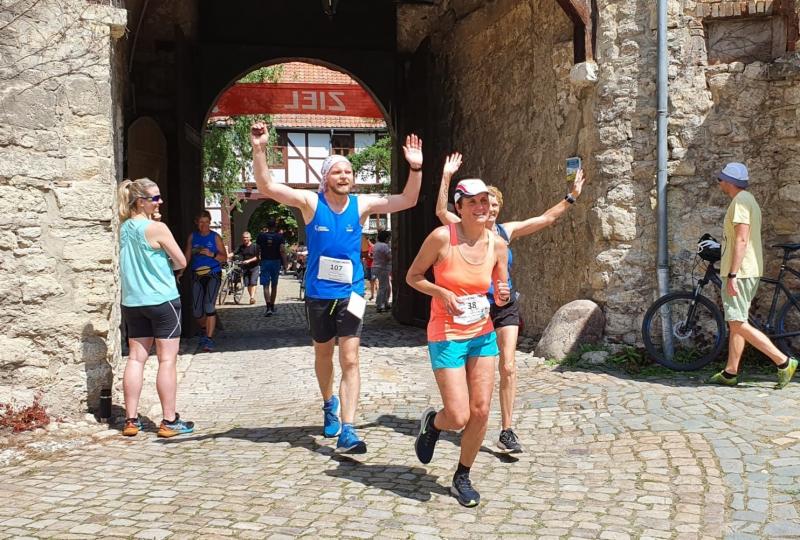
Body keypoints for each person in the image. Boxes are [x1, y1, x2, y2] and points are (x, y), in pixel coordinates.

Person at [251, 121, 424, 454]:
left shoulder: (362, 205)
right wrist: (259, 149)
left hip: (352, 293)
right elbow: (267, 185)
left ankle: (349, 428)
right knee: (323, 353)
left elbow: (407, 199)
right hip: (319, 294)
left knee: (351, 358)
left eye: (348, 172)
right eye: (337, 172)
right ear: (326, 177)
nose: (344, 176)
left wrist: (415, 168)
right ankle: (329, 402)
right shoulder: (310, 203)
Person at [435, 152, 587, 454]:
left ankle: (507, 429)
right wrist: (446, 176)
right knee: (473, 370)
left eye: (493, 205)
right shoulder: (461, 228)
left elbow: (545, 218)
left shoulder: (506, 232)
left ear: (498, 208)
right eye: (483, 203)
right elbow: (441, 210)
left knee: (508, 365)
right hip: (475, 309)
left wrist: (571, 197)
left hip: (504, 306)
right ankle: (470, 417)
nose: (488, 209)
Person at [407, 178, 510, 507]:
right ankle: (434, 424)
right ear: (459, 207)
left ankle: (462, 476)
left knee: (480, 411)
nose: (481, 207)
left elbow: (501, 289)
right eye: (473, 202)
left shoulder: (498, 245)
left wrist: (503, 294)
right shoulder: (442, 238)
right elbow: (413, 276)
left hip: (481, 333)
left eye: (485, 201)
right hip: (447, 333)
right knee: (458, 415)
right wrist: (441, 292)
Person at [707, 162, 798, 387]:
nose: (719, 182)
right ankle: (730, 372)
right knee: (737, 321)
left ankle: (783, 361)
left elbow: (741, 239)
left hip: (741, 272)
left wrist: (732, 275)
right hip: (747, 271)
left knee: (737, 322)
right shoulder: (749, 200)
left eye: (721, 179)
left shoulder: (740, 202)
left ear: (729, 182)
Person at [117, 178, 194, 438]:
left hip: (133, 302)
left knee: (135, 359)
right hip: (162, 300)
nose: (160, 201)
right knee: (167, 360)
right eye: (155, 198)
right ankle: (169, 421)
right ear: (141, 201)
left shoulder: (123, 228)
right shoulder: (158, 228)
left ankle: (130, 420)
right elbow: (181, 261)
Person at [180, 210, 227, 352]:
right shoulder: (193, 237)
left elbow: (224, 257)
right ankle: (205, 329)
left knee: (209, 306)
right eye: (201, 222)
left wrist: (212, 254)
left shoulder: (215, 237)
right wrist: (181, 271)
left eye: (206, 222)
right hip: (197, 275)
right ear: (197, 223)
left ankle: (209, 339)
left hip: (213, 273)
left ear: (210, 222)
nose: (204, 225)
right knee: (197, 311)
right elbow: (187, 255)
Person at [256, 219, 287, 316]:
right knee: (274, 285)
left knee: (265, 285)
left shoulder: (261, 236)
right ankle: (272, 306)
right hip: (276, 261)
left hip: (265, 261)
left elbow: (257, 249)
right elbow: (282, 250)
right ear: (275, 226)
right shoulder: (279, 237)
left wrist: (258, 258)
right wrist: (285, 263)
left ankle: (268, 307)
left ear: (267, 226)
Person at [235, 231, 260, 304]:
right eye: (244, 237)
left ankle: (252, 298)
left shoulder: (255, 246)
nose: (245, 239)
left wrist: (248, 261)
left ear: (250, 238)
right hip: (245, 268)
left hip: (254, 267)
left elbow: (257, 257)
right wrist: (226, 255)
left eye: (246, 237)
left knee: (253, 282)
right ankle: (251, 297)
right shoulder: (241, 247)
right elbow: (234, 253)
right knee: (248, 284)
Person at [372, 230, 392, 312]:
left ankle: (386, 303)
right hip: (383, 268)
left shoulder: (376, 245)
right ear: (386, 238)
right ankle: (379, 305)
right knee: (383, 287)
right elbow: (389, 257)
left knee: (386, 286)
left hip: (375, 267)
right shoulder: (384, 246)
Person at [360, 233, 376, 301]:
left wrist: (368, 256)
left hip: (372, 266)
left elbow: (375, 257)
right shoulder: (366, 247)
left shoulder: (372, 247)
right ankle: (373, 295)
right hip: (369, 266)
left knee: (373, 281)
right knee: (372, 281)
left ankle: (373, 295)